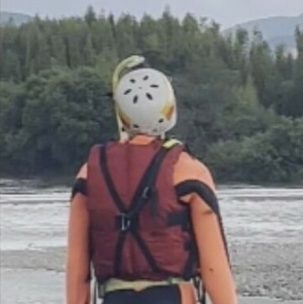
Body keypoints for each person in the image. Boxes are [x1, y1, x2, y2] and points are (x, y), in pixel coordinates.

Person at [65, 59, 237, 304]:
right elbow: (213, 267)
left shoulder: (89, 173)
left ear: (121, 114)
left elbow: (77, 269)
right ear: (169, 108)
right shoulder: (189, 170)